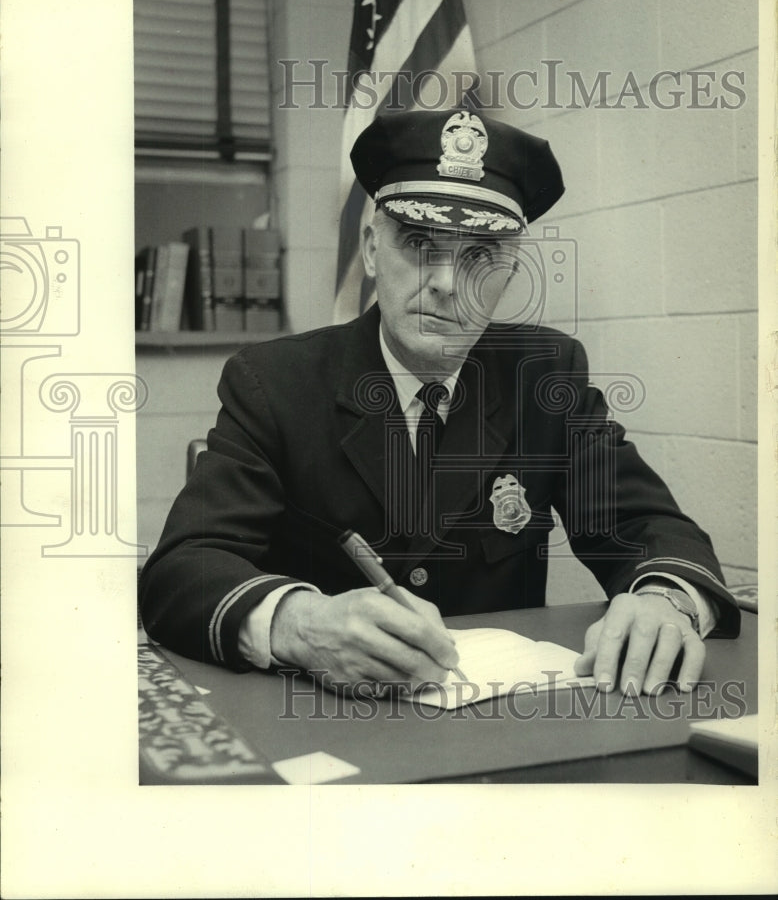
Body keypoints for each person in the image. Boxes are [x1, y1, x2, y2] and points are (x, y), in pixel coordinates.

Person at [139, 108, 740, 699]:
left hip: (497, 724)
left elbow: (647, 525)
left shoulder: (544, 378)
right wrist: (297, 623)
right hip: (326, 720)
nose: (448, 283)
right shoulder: (276, 382)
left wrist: (663, 601)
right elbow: (182, 568)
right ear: (373, 249)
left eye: (480, 255)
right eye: (420, 243)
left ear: (510, 272)